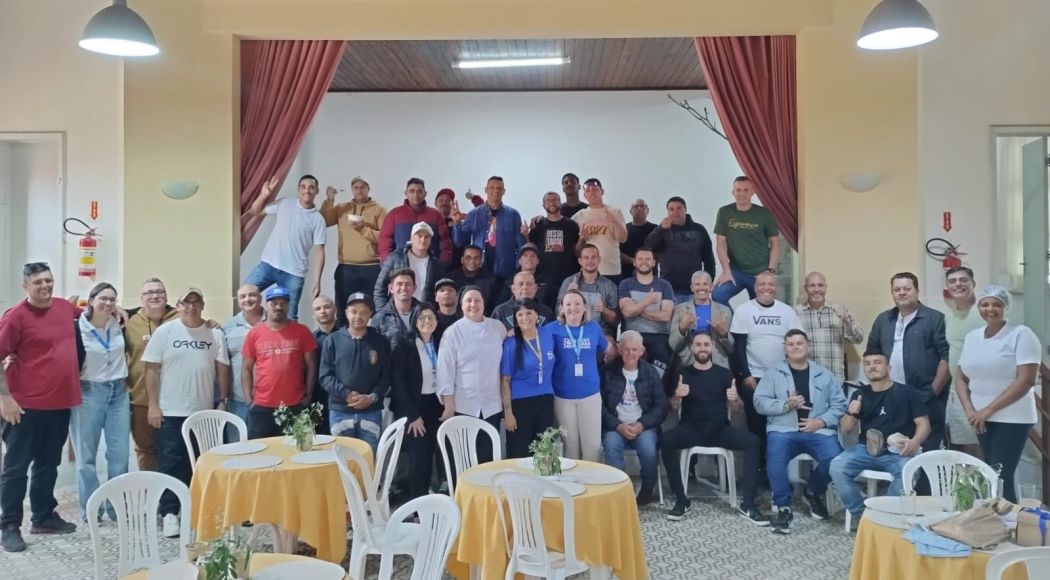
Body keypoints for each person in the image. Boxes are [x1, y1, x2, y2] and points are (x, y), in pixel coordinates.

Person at [0, 263, 82, 552]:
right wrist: (5, 399)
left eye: (48, 280)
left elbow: (87, 310)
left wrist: (120, 310)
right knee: (16, 468)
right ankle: (9, 525)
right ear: (26, 286)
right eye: (38, 282)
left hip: (59, 404)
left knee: (48, 464)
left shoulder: (63, 308)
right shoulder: (15, 316)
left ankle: (43, 517)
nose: (45, 285)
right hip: (24, 407)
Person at [142, 287, 230, 538]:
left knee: (201, 463)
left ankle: (197, 510)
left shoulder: (214, 333)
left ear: (203, 305)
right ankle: (170, 512)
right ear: (178, 306)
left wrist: (223, 401)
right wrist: (153, 405)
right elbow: (151, 369)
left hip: (203, 412)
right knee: (171, 462)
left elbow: (222, 368)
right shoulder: (165, 331)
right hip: (170, 410)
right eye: (186, 302)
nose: (191, 307)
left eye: (196, 302)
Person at [662, 332, 768, 525]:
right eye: (698, 344)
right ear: (692, 348)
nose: (702, 348)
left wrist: (734, 400)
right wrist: (676, 396)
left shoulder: (724, 374)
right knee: (665, 440)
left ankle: (748, 504)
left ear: (712, 347)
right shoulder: (683, 373)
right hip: (691, 429)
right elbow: (673, 408)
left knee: (753, 441)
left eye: (706, 344)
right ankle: (681, 499)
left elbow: (738, 410)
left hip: (720, 430)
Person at [753, 329, 846, 534]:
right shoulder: (773, 374)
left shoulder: (825, 374)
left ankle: (812, 491)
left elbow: (840, 404)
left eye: (799, 343)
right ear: (785, 349)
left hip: (818, 432)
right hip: (783, 430)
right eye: (791, 344)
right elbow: (759, 402)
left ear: (808, 346)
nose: (795, 347)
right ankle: (783, 508)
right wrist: (786, 405)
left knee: (837, 459)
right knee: (774, 458)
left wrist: (821, 421)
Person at [955, 286, 1040, 503]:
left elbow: (1026, 380)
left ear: (1005, 307)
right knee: (990, 472)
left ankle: (1008, 520)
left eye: (996, 304)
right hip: (980, 418)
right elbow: (961, 377)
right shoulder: (973, 337)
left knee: (1000, 475)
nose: (990, 309)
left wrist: (988, 410)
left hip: (1012, 417)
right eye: (985, 304)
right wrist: (970, 410)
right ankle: (994, 517)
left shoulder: (1021, 334)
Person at [830, 349, 930, 524]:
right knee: (837, 467)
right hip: (865, 449)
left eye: (877, 362)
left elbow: (924, 425)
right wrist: (851, 412)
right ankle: (862, 516)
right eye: (867, 364)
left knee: (908, 471)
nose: (872, 367)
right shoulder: (859, 394)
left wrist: (915, 442)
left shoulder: (906, 392)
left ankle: (886, 517)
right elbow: (845, 429)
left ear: (888, 368)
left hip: (897, 452)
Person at [868, 272, 950, 453]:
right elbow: (872, 353)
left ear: (917, 291)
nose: (902, 293)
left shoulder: (934, 318)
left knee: (927, 451)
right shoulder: (884, 319)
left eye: (907, 289)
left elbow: (946, 357)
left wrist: (933, 391)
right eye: (897, 289)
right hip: (892, 398)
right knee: (895, 450)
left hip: (926, 397)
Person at [71, 282, 130, 524]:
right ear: (91, 300)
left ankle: (116, 508)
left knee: (120, 455)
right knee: (85, 458)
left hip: (119, 392)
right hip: (88, 392)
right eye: (103, 298)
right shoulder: (77, 327)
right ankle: (91, 509)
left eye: (112, 299)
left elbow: (152, 308)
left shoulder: (120, 323)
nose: (108, 303)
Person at [730, 271, 803, 467]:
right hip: (754, 378)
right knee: (756, 427)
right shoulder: (744, 310)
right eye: (762, 284)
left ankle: (776, 468)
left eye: (771, 284)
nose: (766, 288)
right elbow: (739, 347)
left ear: (776, 288)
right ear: (755, 288)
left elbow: (797, 345)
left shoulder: (787, 312)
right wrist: (746, 375)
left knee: (779, 426)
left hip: (781, 378)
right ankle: (759, 469)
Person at [436, 287, 507, 463]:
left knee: (488, 459)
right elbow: (445, 372)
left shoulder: (497, 327)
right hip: (464, 405)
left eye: (477, 300)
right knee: (464, 458)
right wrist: (449, 407)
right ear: (461, 305)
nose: (473, 305)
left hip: (492, 405)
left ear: (484, 304)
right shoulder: (452, 332)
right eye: (468, 301)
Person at [243, 174, 327, 320]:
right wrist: (264, 195)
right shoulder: (285, 203)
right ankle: (259, 328)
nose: (307, 191)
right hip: (268, 265)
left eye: (311, 188)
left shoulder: (318, 219)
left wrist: (317, 281)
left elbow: (319, 251)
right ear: (298, 189)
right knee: (244, 296)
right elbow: (255, 211)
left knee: (290, 316)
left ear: (317, 191)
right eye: (303, 187)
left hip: (294, 273)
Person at [600, 331, 668, 505]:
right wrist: (617, 425)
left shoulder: (651, 373)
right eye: (626, 349)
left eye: (634, 349)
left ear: (642, 351)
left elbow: (661, 407)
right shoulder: (607, 372)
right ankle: (620, 492)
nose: (630, 353)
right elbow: (599, 406)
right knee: (611, 446)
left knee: (649, 450)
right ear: (619, 349)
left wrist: (642, 425)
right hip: (615, 426)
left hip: (643, 426)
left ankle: (647, 490)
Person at [242, 287, 318, 439]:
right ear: (266, 305)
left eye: (283, 303)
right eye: (274, 303)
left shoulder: (302, 331)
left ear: (288, 306)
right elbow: (246, 369)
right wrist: (249, 401)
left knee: (294, 450)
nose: (278, 307)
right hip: (262, 406)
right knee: (260, 450)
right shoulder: (254, 333)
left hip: (294, 405)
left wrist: (308, 395)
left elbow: (311, 365)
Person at [320, 293, 391, 455]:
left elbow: (386, 375)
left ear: (370, 314)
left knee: (369, 458)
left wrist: (371, 397)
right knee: (343, 462)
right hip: (340, 412)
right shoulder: (333, 340)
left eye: (363, 311)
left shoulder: (381, 342)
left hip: (371, 412)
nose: (358, 316)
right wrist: (346, 394)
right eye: (353, 311)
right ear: (346, 313)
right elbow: (325, 376)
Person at [550, 290, 615, 462]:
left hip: (590, 395)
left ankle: (590, 479)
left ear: (585, 307)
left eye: (577, 303)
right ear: (562, 308)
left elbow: (609, 349)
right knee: (570, 447)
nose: (573, 308)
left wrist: (623, 351)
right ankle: (573, 479)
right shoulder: (551, 329)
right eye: (568, 304)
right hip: (563, 396)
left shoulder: (593, 327)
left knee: (592, 447)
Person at [391, 304, 446, 499]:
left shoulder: (442, 343)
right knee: (418, 458)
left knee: (434, 454)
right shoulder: (404, 346)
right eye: (422, 318)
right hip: (415, 407)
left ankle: (432, 500)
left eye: (431, 317)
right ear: (415, 322)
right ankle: (417, 504)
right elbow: (398, 382)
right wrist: (412, 415)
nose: (427, 321)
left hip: (437, 405)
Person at [125, 278, 178, 471]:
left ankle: (173, 488)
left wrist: (211, 324)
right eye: (149, 293)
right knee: (145, 450)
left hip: (175, 400)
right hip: (141, 400)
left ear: (166, 296)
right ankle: (150, 486)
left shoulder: (179, 318)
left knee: (173, 450)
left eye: (159, 292)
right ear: (141, 299)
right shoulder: (129, 322)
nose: (155, 296)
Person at [320, 176, 388, 325]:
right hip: (346, 267)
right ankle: (343, 338)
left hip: (372, 267)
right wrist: (329, 200)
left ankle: (376, 338)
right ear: (352, 190)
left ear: (368, 189)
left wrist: (363, 229)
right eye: (356, 187)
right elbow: (323, 221)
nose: (359, 190)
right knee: (343, 310)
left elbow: (385, 237)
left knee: (376, 311)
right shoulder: (342, 208)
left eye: (362, 187)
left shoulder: (379, 209)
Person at [500, 300, 558, 458]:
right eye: (520, 314)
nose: (525, 318)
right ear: (515, 319)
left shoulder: (548, 334)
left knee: (544, 453)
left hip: (546, 400)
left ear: (537, 315)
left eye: (529, 313)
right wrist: (508, 413)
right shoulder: (511, 343)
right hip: (521, 404)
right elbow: (505, 381)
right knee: (519, 453)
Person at [712, 176, 780, 306]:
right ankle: (735, 320)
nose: (742, 194)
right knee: (718, 295)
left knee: (762, 305)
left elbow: (775, 243)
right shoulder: (724, 212)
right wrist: (726, 271)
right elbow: (720, 245)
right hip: (736, 271)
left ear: (753, 192)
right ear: (733, 192)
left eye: (746, 190)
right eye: (738, 190)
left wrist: (770, 271)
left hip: (760, 272)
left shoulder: (764, 213)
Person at [450, 176, 525, 285]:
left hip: (506, 272)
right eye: (492, 187)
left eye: (499, 188)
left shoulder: (513, 215)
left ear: (504, 191)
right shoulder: (473, 214)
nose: (496, 190)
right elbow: (460, 243)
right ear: (486, 190)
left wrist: (518, 270)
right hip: (480, 272)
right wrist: (457, 223)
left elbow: (521, 246)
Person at [942, 266, 984, 454]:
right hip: (957, 392)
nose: (958, 284)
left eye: (963, 280)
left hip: (979, 392)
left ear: (973, 283)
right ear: (947, 287)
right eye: (952, 281)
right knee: (966, 448)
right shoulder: (950, 316)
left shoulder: (985, 313)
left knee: (981, 447)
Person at [795, 271, 864, 384]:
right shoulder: (796, 312)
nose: (816, 289)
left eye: (820, 285)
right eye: (812, 285)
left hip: (834, 380)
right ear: (805, 288)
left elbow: (858, 339)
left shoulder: (839, 310)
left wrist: (846, 321)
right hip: (806, 380)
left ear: (826, 288)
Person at [645, 196, 715, 303]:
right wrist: (661, 229)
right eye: (671, 209)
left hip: (695, 288)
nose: (675, 212)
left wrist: (709, 281)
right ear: (667, 212)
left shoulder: (699, 229)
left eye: (679, 208)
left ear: (685, 209)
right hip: (669, 288)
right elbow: (649, 246)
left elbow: (708, 257)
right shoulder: (662, 230)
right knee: (670, 314)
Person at [618, 247, 675, 375]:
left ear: (654, 263)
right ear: (634, 262)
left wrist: (638, 309)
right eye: (640, 259)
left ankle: (653, 384)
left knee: (661, 363)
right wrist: (647, 302)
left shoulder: (664, 285)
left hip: (658, 335)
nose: (644, 262)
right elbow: (627, 312)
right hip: (632, 333)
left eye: (648, 259)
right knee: (629, 360)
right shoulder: (625, 284)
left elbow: (665, 316)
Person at [378, 177, 453, 267]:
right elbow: (385, 241)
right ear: (406, 193)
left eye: (419, 191)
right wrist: (388, 265)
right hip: (401, 267)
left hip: (429, 267)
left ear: (425, 194)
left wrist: (443, 264)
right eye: (412, 191)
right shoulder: (394, 214)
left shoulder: (435, 215)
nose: (416, 195)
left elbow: (445, 241)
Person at [669, 271, 734, 371]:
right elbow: (674, 346)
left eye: (705, 284)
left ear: (711, 287)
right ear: (692, 288)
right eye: (697, 284)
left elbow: (731, 349)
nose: (701, 287)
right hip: (688, 364)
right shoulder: (680, 310)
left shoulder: (724, 311)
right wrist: (682, 328)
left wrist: (723, 334)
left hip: (718, 364)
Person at [528, 191, 580, 310]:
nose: (552, 202)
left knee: (564, 310)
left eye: (555, 200)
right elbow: (530, 248)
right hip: (543, 278)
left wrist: (582, 238)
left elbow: (576, 252)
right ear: (543, 205)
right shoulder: (538, 225)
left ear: (560, 203)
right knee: (544, 310)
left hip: (566, 278)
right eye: (549, 200)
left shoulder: (571, 225)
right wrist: (525, 234)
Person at [373, 222, 442, 311]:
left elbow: (439, 292)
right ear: (411, 238)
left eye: (427, 236)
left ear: (430, 240)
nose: (423, 239)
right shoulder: (395, 257)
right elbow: (380, 288)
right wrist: (383, 313)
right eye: (419, 236)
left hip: (424, 314)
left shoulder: (436, 264)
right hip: (397, 312)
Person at [556, 244, 620, 336]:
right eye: (586, 257)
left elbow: (614, 320)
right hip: (572, 330)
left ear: (599, 260)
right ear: (580, 261)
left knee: (610, 345)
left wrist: (604, 310)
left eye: (593, 257)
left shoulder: (609, 285)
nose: (590, 261)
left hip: (600, 331)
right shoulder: (569, 282)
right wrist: (568, 296)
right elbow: (558, 313)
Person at [223, 284, 264, 425]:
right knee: (237, 438)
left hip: (270, 399)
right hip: (238, 400)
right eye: (242, 296)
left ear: (260, 298)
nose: (247, 299)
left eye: (252, 295)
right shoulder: (228, 327)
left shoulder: (274, 323)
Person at [573, 178, 628, 282]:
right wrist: (582, 238)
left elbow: (623, 239)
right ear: (584, 195)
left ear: (602, 191)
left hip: (613, 271)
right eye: (588, 190)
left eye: (595, 189)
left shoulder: (615, 212)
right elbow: (577, 250)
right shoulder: (579, 217)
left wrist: (614, 221)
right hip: (590, 273)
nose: (591, 193)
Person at [310, 295, 342, 435]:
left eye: (327, 307)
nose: (322, 311)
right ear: (313, 314)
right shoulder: (310, 340)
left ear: (335, 309)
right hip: (318, 398)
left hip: (342, 397)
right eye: (318, 309)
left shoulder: (346, 335)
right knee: (321, 438)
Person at [370, 268, 424, 352]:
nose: (403, 288)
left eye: (408, 284)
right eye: (399, 284)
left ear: (414, 288)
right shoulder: (380, 319)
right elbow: (373, 349)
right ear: (391, 288)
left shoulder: (425, 314)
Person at [491, 271, 555, 330]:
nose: (525, 287)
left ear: (535, 288)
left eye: (529, 284)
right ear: (513, 289)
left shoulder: (547, 312)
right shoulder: (500, 312)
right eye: (520, 284)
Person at [446, 245, 496, 312]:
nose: (472, 261)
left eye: (476, 258)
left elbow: (493, 305)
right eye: (468, 257)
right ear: (462, 260)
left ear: (481, 261)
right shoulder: (450, 278)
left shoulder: (491, 280)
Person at [620, 198, 656, 279]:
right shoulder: (623, 230)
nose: (639, 208)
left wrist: (644, 262)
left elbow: (660, 252)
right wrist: (633, 261)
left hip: (650, 275)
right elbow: (617, 252)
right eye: (636, 206)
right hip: (626, 275)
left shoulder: (656, 230)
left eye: (642, 206)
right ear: (630, 211)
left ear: (647, 210)